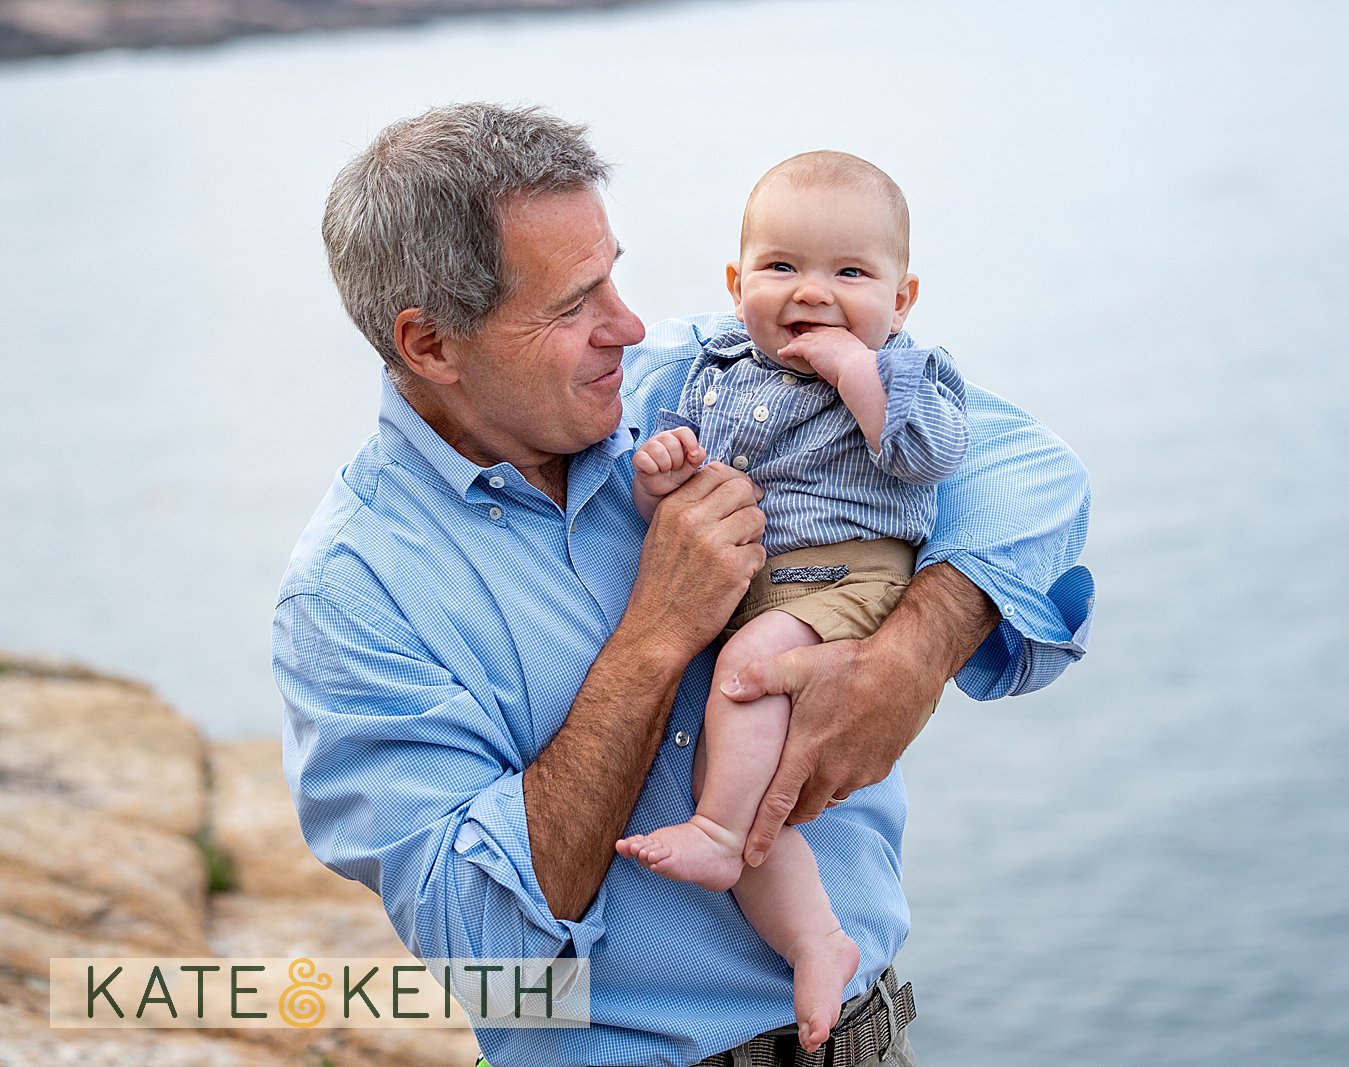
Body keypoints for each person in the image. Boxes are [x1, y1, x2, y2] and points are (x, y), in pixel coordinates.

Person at [275, 102, 1095, 1067]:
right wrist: (654, 636)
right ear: (431, 347)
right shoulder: (349, 598)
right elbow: (486, 950)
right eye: (573, 305)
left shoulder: (699, 377)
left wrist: (910, 655)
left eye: (613, 273)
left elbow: (1029, 469)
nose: (626, 324)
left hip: (869, 1041)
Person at [615, 150, 966, 1052]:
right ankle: (815, 938)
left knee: (744, 677)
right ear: (737, 285)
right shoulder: (716, 370)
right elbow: (703, 495)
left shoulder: (910, 371)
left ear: (904, 296)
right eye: (782, 268)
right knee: (737, 770)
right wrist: (664, 484)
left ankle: (722, 835)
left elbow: (927, 454)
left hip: (848, 572)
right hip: (764, 581)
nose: (813, 293)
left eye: (850, 274)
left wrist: (859, 371)